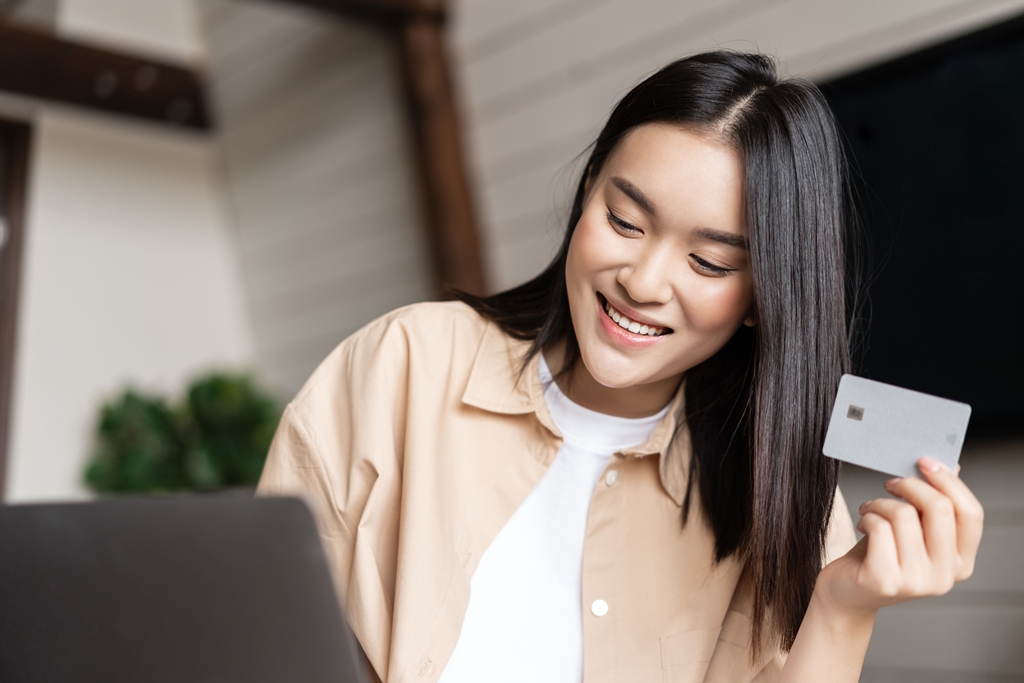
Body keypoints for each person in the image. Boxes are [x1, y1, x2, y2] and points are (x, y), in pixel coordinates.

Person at [257, 51, 984, 683]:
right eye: (624, 221)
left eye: (708, 261)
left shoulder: (783, 494)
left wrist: (845, 605)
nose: (642, 279)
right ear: (586, 197)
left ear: (763, 297)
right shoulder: (407, 362)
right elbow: (261, 628)